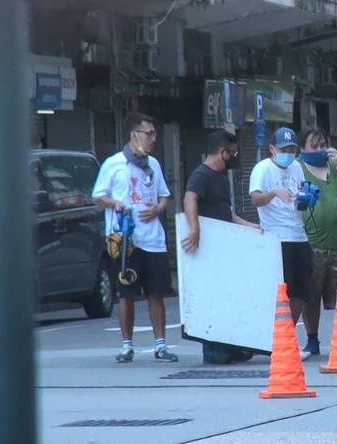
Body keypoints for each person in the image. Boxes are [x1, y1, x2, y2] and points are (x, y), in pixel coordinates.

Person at [91, 112, 178, 364]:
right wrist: (114, 203)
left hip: (153, 239)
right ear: (134, 135)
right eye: (148, 134)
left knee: (156, 293)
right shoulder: (114, 164)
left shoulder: (154, 164)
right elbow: (97, 196)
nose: (153, 139)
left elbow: (164, 195)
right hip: (125, 240)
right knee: (126, 294)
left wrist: (158, 208)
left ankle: (160, 345)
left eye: (154, 134)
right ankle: (127, 346)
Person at [181, 131, 264, 364]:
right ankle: (211, 348)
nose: (234, 158)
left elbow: (225, 213)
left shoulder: (221, 177)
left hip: (223, 246)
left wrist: (249, 226)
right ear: (222, 151)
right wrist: (195, 229)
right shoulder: (201, 175)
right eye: (233, 153)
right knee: (211, 296)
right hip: (208, 246)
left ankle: (230, 345)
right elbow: (190, 199)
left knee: (227, 295)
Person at [248, 127, 314, 361]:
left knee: (301, 291)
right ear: (272, 149)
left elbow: (301, 191)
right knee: (283, 291)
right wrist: (274, 192)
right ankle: (274, 340)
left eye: (292, 149)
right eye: (283, 149)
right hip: (277, 236)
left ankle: (287, 338)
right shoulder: (263, 169)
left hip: (299, 234)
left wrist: (306, 196)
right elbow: (255, 199)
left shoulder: (296, 167)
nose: (288, 154)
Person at [296, 126, 337, 356]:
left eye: (323, 145)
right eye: (314, 146)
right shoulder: (297, 168)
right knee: (311, 297)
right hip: (311, 243)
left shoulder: (334, 165)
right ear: (302, 148)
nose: (320, 150)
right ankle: (312, 339)